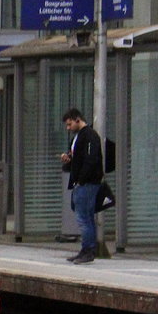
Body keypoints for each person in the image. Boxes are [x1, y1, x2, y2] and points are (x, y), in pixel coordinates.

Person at [59, 107, 104, 264]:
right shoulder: (77, 137)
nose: (68, 128)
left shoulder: (90, 136)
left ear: (78, 119)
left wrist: (82, 179)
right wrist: (68, 160)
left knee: (83, 217)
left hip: (88, 183)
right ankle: (86, 249)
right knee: (86, 217)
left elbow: (91, 159)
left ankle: (88, 250)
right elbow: (78, 158)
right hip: (81, 182)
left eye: (70, 124)